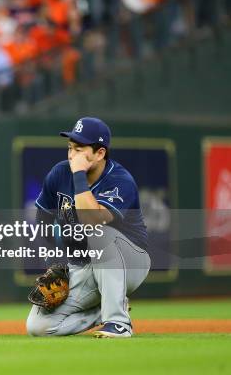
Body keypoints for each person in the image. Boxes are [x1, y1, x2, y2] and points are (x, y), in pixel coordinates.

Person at [27, 117, 151, 338]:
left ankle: (118, 322)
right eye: (70, 148)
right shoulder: (59, 173)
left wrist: (78, 175)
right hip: (86, 265)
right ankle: (101, 312)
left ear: (100, 153)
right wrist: (53, 263)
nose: (72, 155)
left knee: (98, 232)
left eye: (79, 149)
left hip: (130, 262)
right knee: (38, 327)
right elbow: (43, 220)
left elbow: (92, 220)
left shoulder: (120, 180)